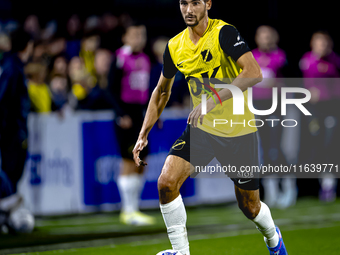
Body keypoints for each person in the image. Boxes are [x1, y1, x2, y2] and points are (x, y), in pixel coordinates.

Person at [132, 1, 288, 255]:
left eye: (195, 3)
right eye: (184, 3)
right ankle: (181, 251)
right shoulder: (175, 46)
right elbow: (162, 91)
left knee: (250, 207)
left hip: (237, 129)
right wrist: (143, 133)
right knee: (166, 183)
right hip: (202, 130)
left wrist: (212, 100)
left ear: (208, 4)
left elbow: (253, 72)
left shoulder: (224, 33)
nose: (188, 9)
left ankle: (273, 237)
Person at [108, 23, 155, 226]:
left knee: (142, 159)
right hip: (126, 115)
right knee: (129, 159)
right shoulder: (120, 58)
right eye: (134, 34)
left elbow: (149, 91)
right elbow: (110, 89)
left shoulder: (146, 59)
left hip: (141, 116)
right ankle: (128, 211)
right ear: (125, 37)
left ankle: (134, 208)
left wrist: (155, 115)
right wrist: (121, 114)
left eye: (142, 34)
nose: (139, 38)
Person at [252, 25, 297, 209]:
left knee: (275, 148)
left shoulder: (280, 57)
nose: (266, 39)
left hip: (275, 107)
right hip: (256, 107)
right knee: (262, 151)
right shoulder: (251, 57)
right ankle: (271, 193)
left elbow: (287, 80)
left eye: (269, 36)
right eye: (262, 36)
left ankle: (288, 188)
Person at [0, 28, 34, 232]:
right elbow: (3, 99)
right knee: (11, 173)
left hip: (12, 130)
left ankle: (7, 219)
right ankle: (8, 219)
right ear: (27, 46)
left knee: (11, 174)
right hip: (12, 132)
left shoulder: (11, 65)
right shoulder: (13, 67)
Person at [299, 31, 340, 202]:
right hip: (313, 111)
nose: (322, 46)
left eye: (324, 43)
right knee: (316, 145)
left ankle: (328, 186)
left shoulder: (334, 61)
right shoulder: (307, 61)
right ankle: (320, 183)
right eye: (318, 43)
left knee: (329, 145)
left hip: (331, 109)